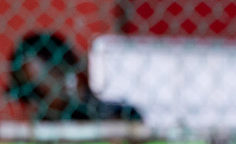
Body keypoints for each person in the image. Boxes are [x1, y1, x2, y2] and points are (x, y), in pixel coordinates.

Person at [6, 32, 141, 122]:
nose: (31, 104)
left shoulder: (115, 117)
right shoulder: (40, 132)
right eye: (24, 98)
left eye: (36, 93)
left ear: (65, 77)